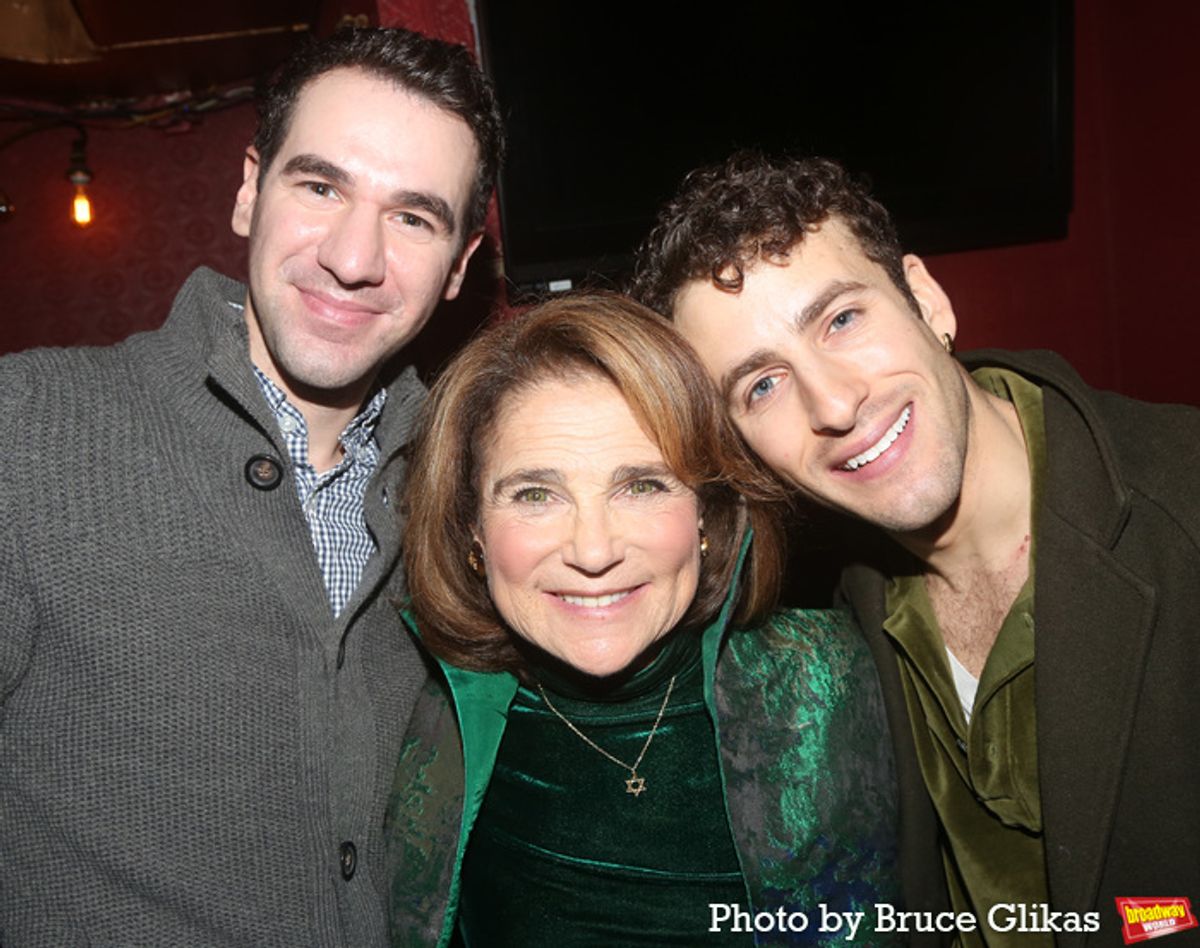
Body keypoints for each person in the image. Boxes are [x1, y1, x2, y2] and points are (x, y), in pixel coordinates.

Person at [0, 27, 503, 947]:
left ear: (460, 266)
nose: (354, 257)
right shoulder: (26, 427)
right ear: (249, 190)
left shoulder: (469, 489)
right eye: (321, 187)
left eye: (413, 218)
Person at [631, 151, 1200, 946]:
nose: (834, 403)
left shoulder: (1180, 509)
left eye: (842, 319)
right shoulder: (829, 609)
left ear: (927, 300)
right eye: (762, 385)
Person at [385, 293, 906, 947]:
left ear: (707, 515)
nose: (594, 551)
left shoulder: (834, 680)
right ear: (472, 531)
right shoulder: (436, 728)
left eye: (642, 486)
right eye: (536, 495)